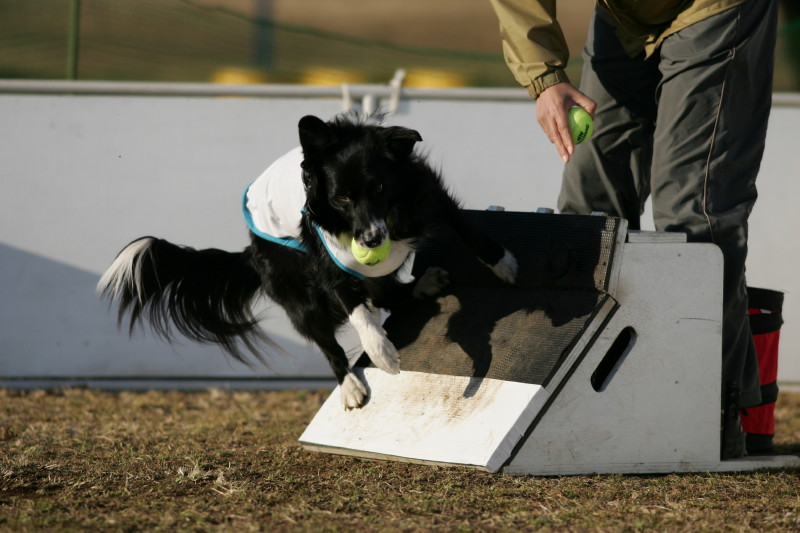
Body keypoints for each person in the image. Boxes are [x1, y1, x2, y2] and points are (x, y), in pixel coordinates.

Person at [488, 0, 779, 459]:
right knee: (587, 209)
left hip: (712, 9)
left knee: (691, 213)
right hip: (623, 15)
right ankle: (579, 398)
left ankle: (717, 412)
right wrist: (545, 78)